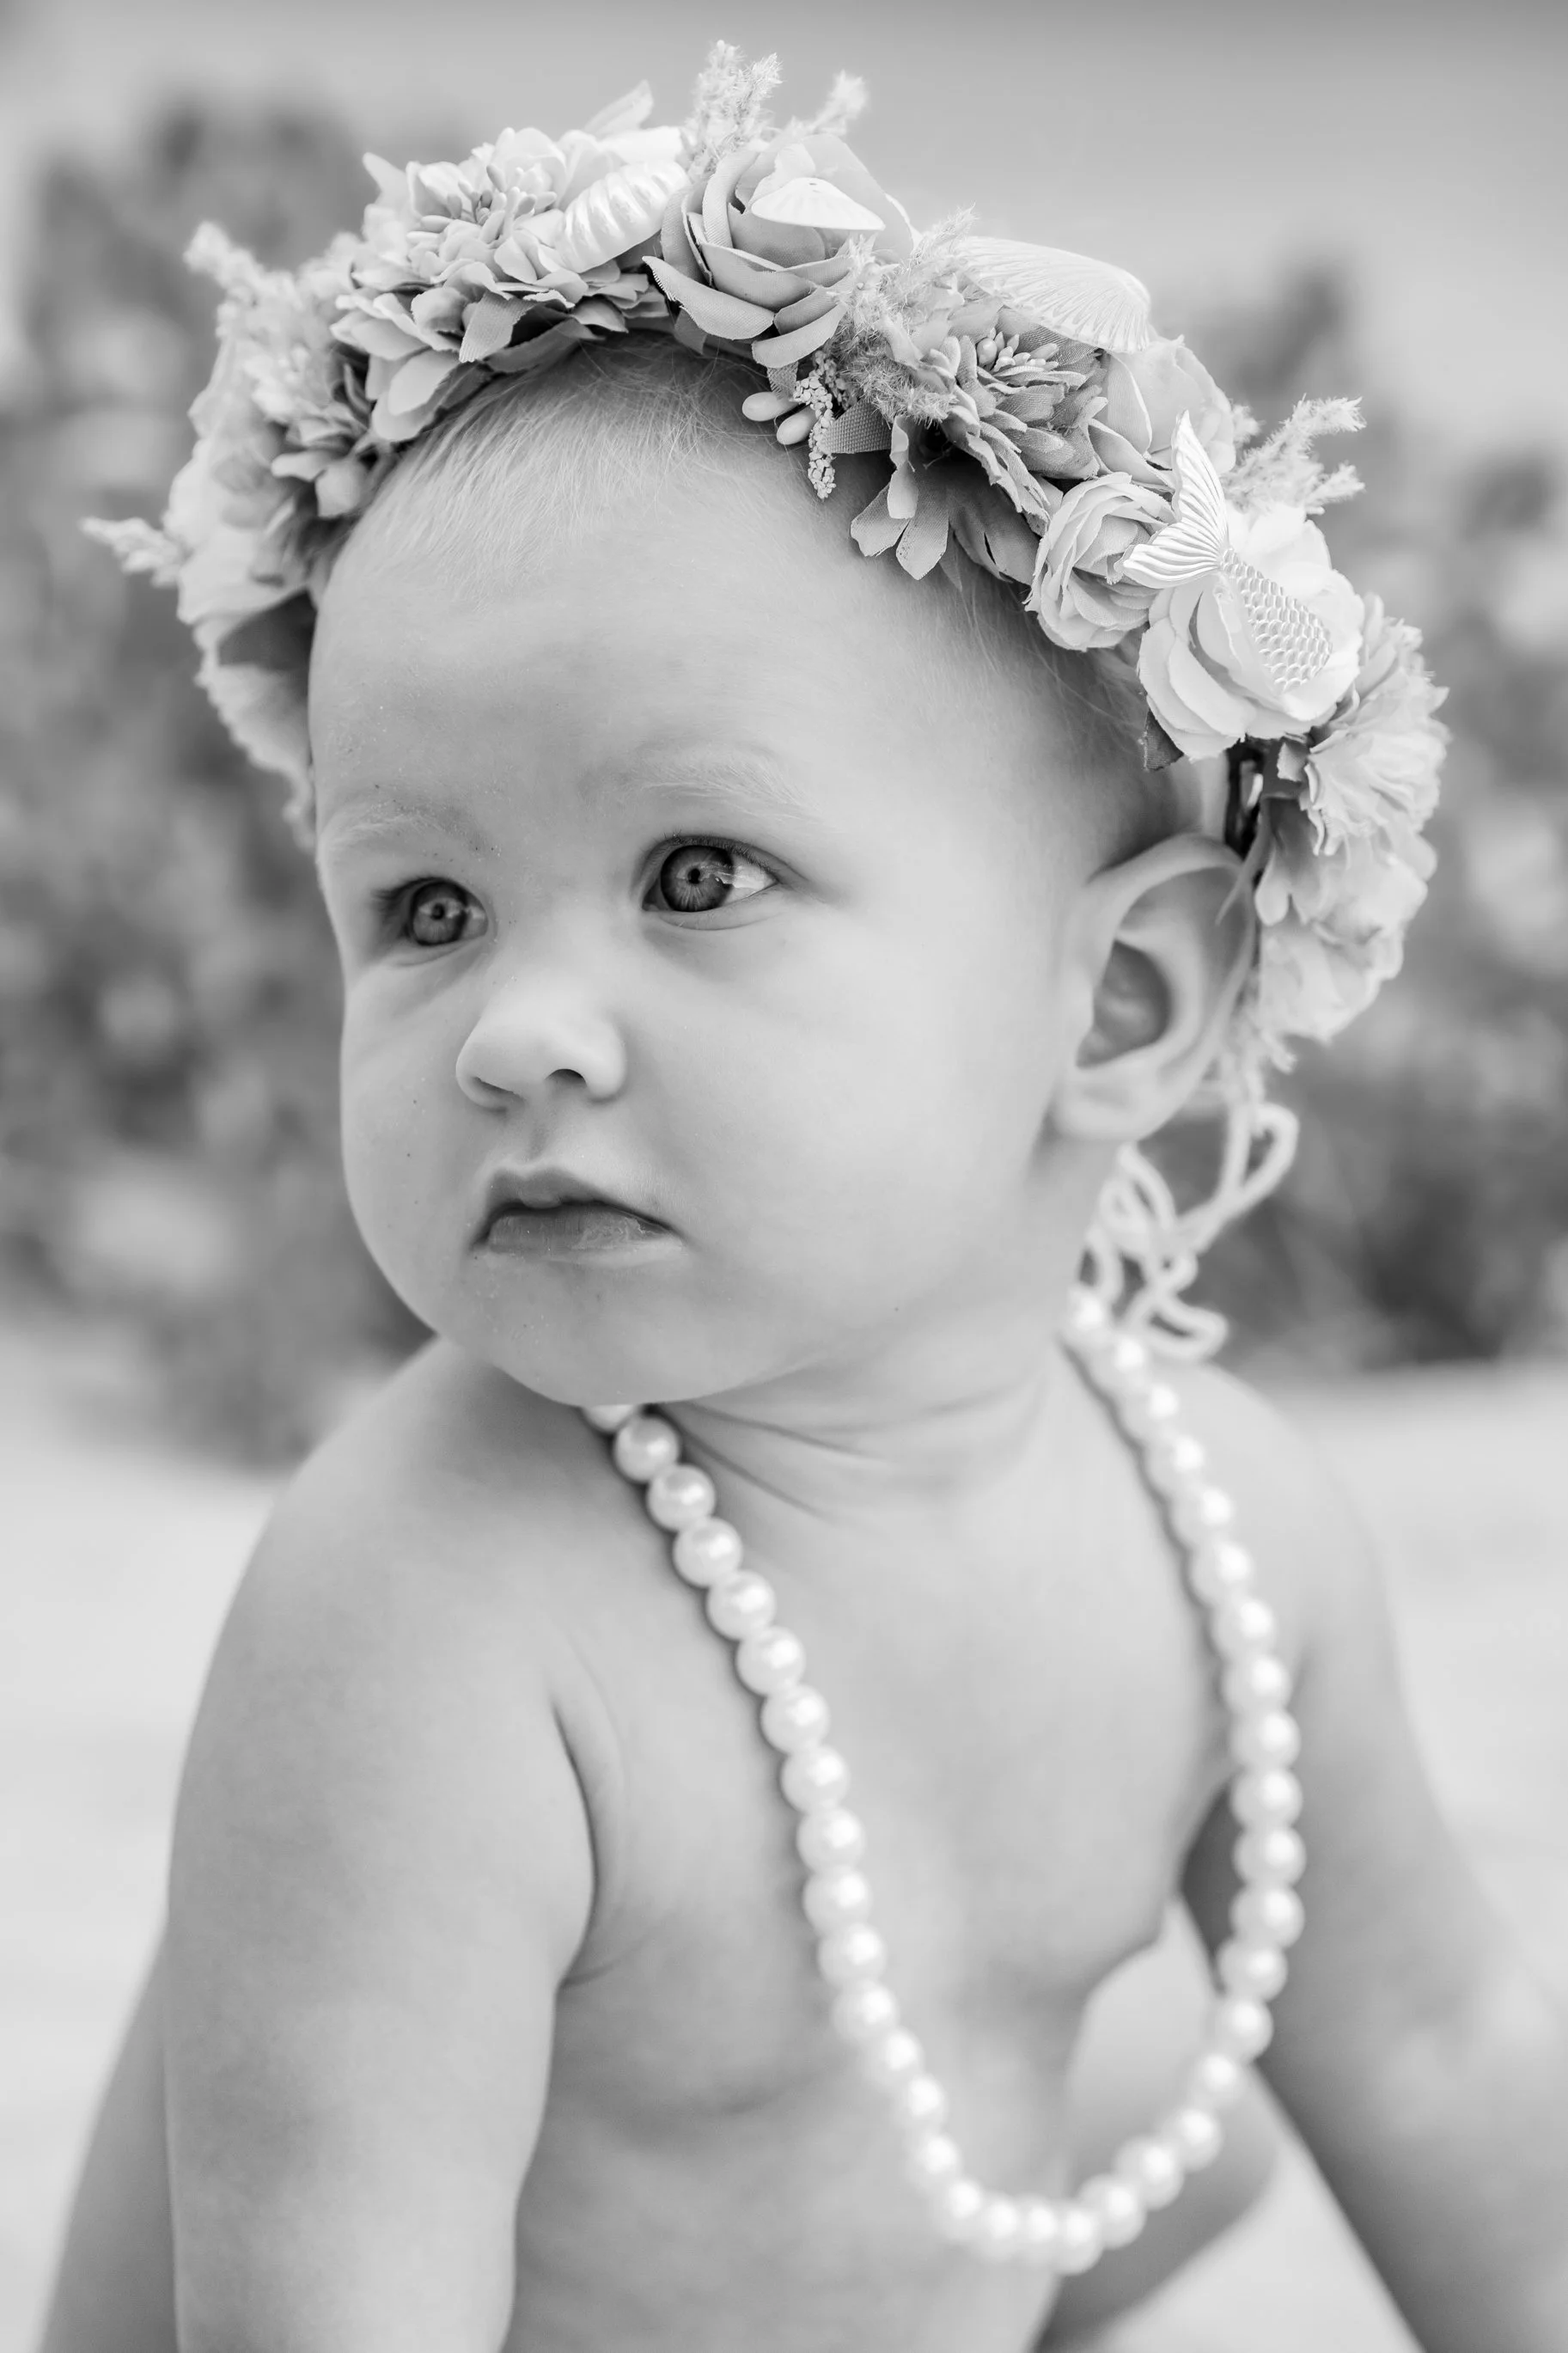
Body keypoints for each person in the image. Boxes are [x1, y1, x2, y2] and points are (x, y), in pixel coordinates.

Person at [46, 46, 1567, 2353]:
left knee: (1199, 2093)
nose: (517, 1033)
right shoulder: (426, 1617)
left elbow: (1445, 2055)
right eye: (426, 906)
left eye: (698, 874)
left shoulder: (1226, 1541)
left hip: (877, 2222)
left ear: (1121, 1001)